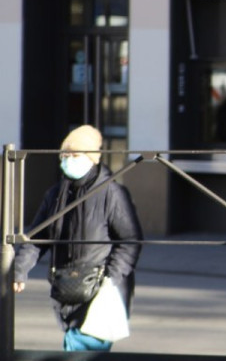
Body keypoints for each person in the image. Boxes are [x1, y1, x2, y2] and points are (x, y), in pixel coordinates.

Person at [12, 125, 143, 352]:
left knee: (81, 347)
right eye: (64, 155)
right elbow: (38, 237)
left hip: (100, 293)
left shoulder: (111, 193)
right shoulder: (56, 194)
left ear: (91, 158)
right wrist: (19, 270)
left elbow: (130, 240)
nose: (68, 160)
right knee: (75, 345)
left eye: (75, 155)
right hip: (66, 288)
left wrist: (110, 277)